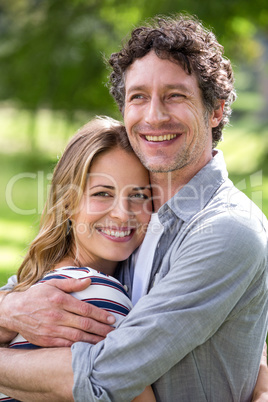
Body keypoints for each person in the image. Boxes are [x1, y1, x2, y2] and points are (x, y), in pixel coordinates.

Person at [0, 13, 267, 402]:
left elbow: (102, 379)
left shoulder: (226, 230)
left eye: (175, 95)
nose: (154, 115)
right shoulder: (134, 219)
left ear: (215, 111)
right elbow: (26, 293)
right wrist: (10, 311)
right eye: (138, 96)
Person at [0, 116, 155, 402]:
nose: (122, 213)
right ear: (68, 204)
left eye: (138, 195)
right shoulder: (90, 292)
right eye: (102, 193)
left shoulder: (39, 280)